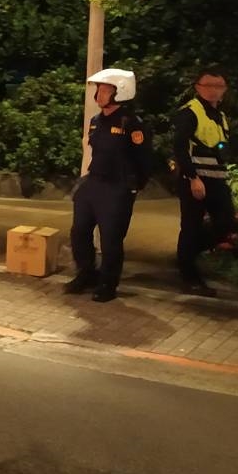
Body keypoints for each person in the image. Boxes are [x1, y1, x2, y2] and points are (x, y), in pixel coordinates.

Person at [65, 68, 150, 303]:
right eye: (98, 89)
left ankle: (107, 284)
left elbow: (144, 159)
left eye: (104, 90)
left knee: (111, 239)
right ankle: (86, 274)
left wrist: (133, 187)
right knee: (79, 232)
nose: (99, 94)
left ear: (120, 92)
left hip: (117, 188)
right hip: (93, 183)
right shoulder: (96, 121)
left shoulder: (132, 124)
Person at [172, 67, 232, 296]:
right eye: (209, 86)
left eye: (219, 86)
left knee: (225, 222)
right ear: (198, 87)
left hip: (217, 180)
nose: (215, 91)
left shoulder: (221, 116)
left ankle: (186, 255)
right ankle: (189, 276)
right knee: (191, 227)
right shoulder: (190, 112)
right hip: (195, 180)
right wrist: (192, 178)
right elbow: (179, 147)